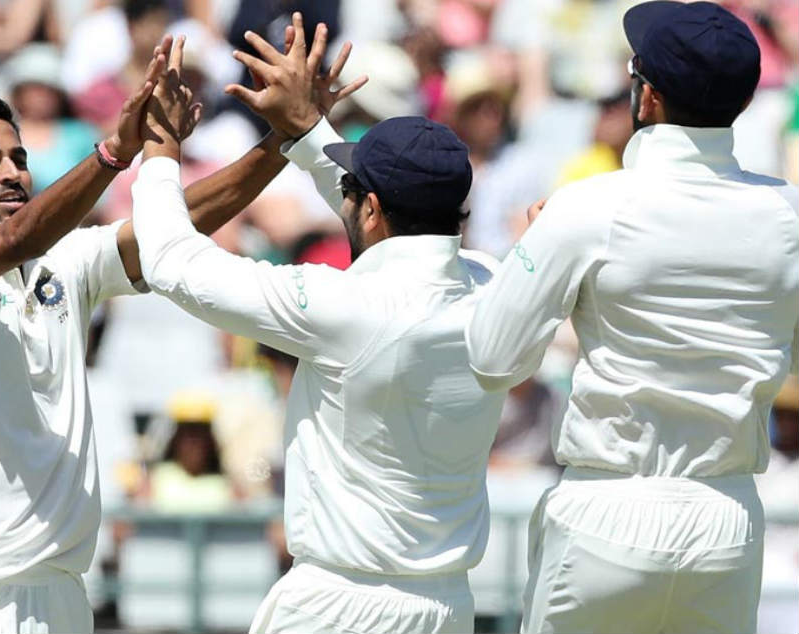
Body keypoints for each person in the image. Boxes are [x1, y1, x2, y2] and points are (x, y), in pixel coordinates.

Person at [0, 34, 325, 633]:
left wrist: (287, 139)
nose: (10, 174)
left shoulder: (65, 261)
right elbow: (16, 239)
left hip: (58, 588)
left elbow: (175, 227)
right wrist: (117, 150)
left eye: (17, 159)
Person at [132, 13, 506, 633]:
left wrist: (160, 151)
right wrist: (308, 130)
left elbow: (171, 263)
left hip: (340, 606)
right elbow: (390, 222)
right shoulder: (491, 285)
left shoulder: (340, 306)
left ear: (372, 208)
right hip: (447, 606)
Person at [465, 2, 799, 633]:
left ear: (647, 97)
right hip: (727, 520)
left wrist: (535, 258)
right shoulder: (789, 213)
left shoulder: (587, 207)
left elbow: (491, 358)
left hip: (609, 512)